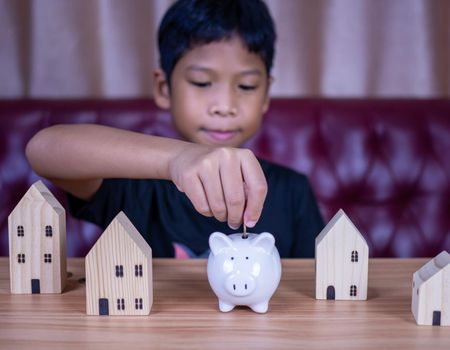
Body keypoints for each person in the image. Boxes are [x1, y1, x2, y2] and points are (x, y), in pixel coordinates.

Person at [26, 0, 324, 258]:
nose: (224, 105)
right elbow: (43, 149)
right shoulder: (136, 186)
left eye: (246, 85)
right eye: (201, 82)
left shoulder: (292, 190)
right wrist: (176, 159)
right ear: (163, 87)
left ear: (266, 95)